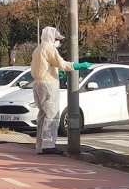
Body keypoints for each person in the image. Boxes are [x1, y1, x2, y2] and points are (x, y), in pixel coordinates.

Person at [30, 26, 91, 155]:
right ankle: (48, 145)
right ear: (52, 37)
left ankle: (40, 145)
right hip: (48, 84)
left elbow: (46, 65)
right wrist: (77, 65)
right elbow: (62, 64)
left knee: (42, 115)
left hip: (37, 84)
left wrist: (57, 71)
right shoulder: (49, 49)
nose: (58, 41)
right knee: (52, 115)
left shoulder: (38, 49)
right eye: (57, 39)